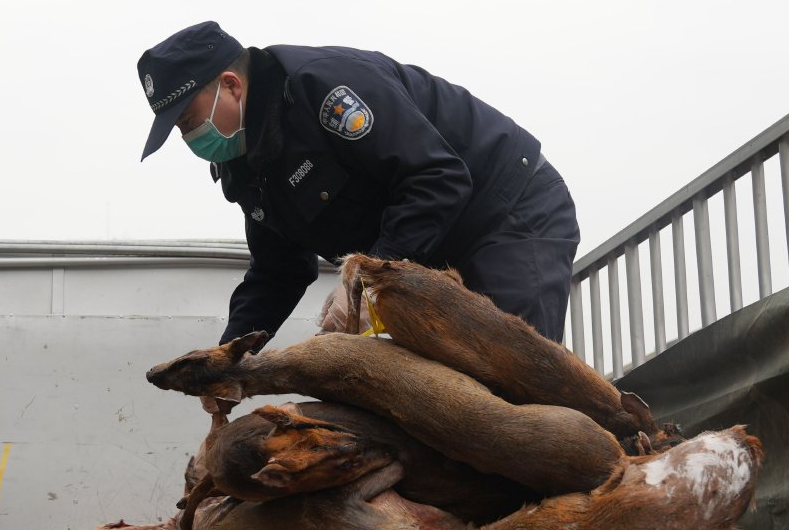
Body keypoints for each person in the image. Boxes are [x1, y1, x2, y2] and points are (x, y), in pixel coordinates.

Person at [137, 22, 579, 344]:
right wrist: (232, 355)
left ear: (231, 86)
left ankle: (629, 466)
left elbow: (435, 178)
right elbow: (279, 270)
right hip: (425, 253)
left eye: (189, 120)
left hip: (506, 212)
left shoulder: (325, 88)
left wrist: (365, 282)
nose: (188, 137)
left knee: (512, 379)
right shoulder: (247, 167)